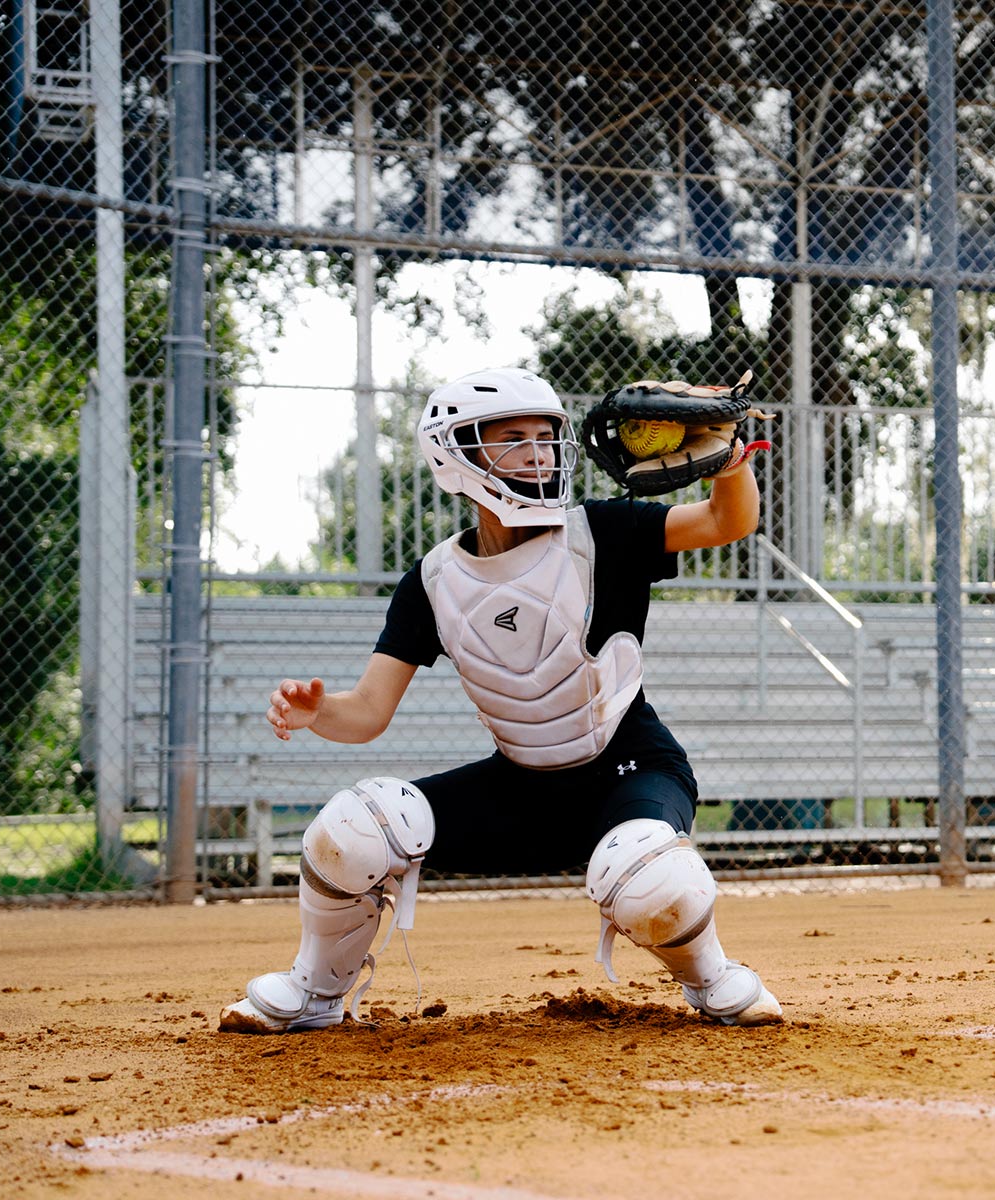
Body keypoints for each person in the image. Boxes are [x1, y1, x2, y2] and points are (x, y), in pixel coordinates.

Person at [219, 366, 782, 1034]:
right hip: (522, 789)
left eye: (546, 436)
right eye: (514, 437)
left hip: (631, 770)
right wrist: (318, 713)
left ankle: (710, 978)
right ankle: (315, 991)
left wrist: (729, 455)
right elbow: (368, 712)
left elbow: (727, 521)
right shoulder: (433, 581)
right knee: (355, 827)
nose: (539, 452)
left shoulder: (601, 534)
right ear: (456, 453)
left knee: (646, 869)